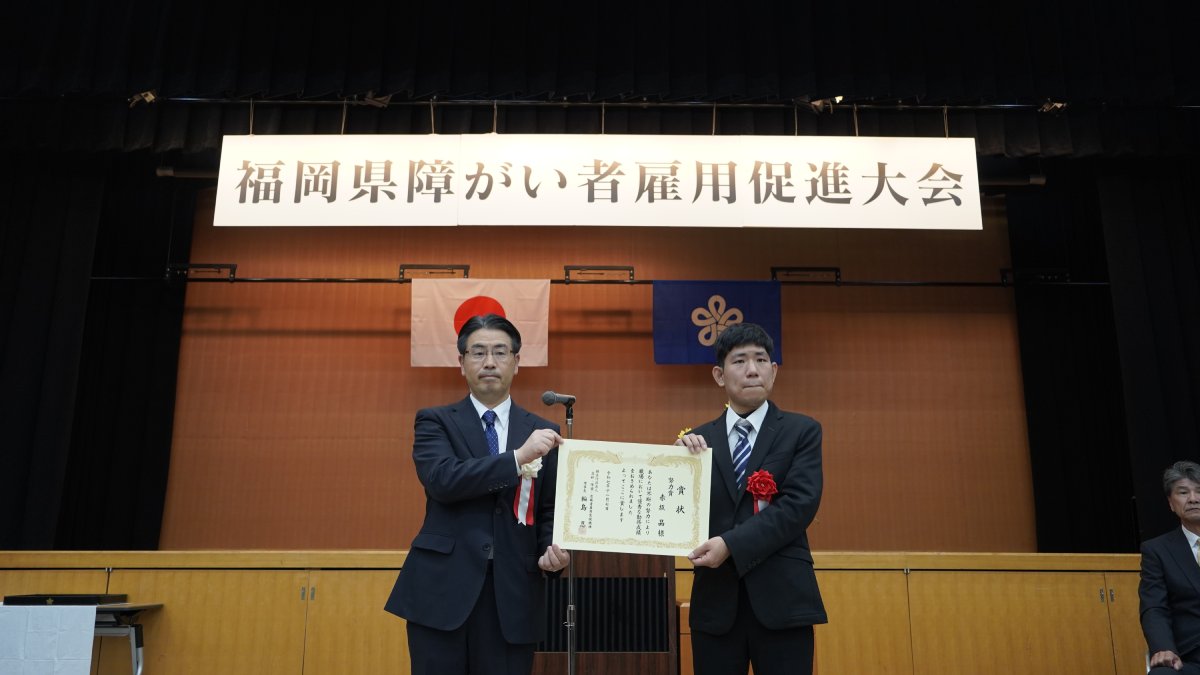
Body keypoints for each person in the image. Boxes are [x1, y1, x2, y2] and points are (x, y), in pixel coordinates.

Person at [384, 313, 570, 675]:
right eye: (478, 352)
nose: (489, 362)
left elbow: (548, 508)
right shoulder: (436, 421)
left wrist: (552, 551)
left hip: (513, 593)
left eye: (500, 352)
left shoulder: (543, 430)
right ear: (462, 363)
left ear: (516, 362)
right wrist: (516, 459)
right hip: (442, 591)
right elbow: (442, 480)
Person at [675, 322, 826, 675]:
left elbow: (798, 506)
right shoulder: (695, 443)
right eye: (740, 361)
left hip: (783, 601)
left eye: (760, 360)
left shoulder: (802, 431)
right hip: (716, 605)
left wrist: (730, 544)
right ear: (719, 375)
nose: (752, 369)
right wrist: (675, 468)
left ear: (774, 371)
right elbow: (680, 514)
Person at [1141, 460, 1200, 674]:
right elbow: (1154, 607)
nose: (1193, 499)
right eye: (1183, 492)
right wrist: (1163, 648)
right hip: (1192, 658)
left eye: (1199, 491)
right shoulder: (1157, 550)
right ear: (1171, 503)